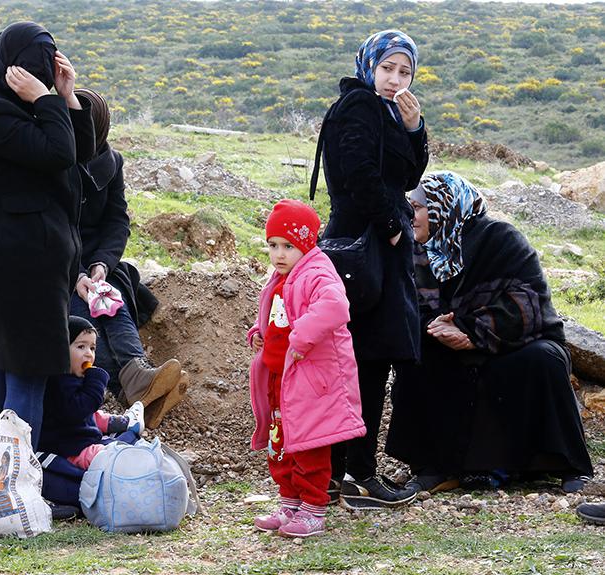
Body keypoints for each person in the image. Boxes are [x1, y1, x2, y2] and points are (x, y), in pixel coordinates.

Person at [388, 171, 593, 494]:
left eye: (417, 207)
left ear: (444, 208)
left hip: (511, 341)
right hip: (446, 342)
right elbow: (406, 305)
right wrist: (437, 328)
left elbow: (530, 303)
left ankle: (564, 466)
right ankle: (436, 467)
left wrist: (472, 332)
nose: (410, 216)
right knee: (419, 359)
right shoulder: (416, 251)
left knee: (543, 360)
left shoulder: (500, 238)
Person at [0, 22, 95, 450]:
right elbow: (58, 153)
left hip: (31, 257)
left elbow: (81, 153)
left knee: (8, 373)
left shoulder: (20, 107)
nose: (41, 69)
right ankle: (13, 488)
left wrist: (66, 96)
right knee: (27, 375)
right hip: (18, 261)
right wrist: (43, 99)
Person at [317, 29, 429, 509]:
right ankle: (353, 475)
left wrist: (414, 128)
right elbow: (357, 171)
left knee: (365, 361)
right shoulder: (360, 105)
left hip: (370, 249)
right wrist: (392, 225)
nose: (395, 80)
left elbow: (409, 176)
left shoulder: (384, 110)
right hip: (365, 250)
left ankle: (343, 474)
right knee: (362, 361)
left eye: (405, 72)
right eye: (387, 68)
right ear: (369, 65)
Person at [69, 88, 186, 429]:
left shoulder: (110, 162)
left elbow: (117, 220)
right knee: (80, 313)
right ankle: (128, 387)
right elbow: (51, 230)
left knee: (113, 292)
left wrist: (101, 267)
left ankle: (135, 371)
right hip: (56, 261)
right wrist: (76, 276)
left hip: (96, 261)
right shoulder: (54, 167)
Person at [247, 200, 365, 538]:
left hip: (310, 382)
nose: (279, 254)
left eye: (288, 246)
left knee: (309, 447)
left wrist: (301, 337)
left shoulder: (317, 272)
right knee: (280, 444)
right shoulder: (282, 277)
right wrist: (261, 334)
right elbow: (277, 318)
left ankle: (313, 509)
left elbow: (336, 306)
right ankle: (289, 504)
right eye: (273, 246)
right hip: (279, 379)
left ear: (307, 244)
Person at [39, 316, 144, 470]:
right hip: (72, 446)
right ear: (61, 348)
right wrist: (97, 381)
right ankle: (123, 432)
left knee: (96, 416)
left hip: (75, 430)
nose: (89, 354)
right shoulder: (58, 382)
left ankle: (126, 422)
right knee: (109, 456)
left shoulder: (71, 376)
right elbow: (83, 407)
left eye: (92, 348)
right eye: (81, 346)